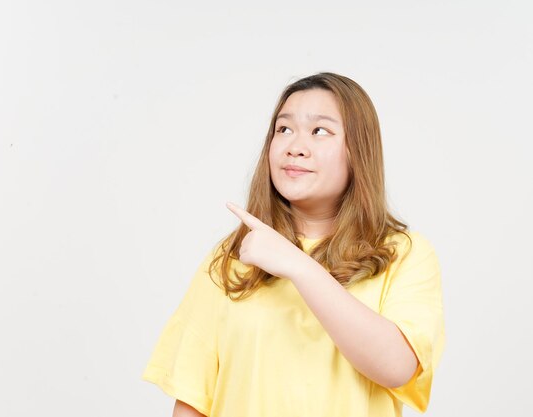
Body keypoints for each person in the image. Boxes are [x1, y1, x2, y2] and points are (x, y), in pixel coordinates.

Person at [141, 72, 445, 417]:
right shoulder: (232, 256)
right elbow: (193, 399)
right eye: (283, 129)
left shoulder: (404, 254)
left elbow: (396, 367)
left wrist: (299, 266)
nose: (295, 146)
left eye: (320, 131)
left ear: (358, 150)